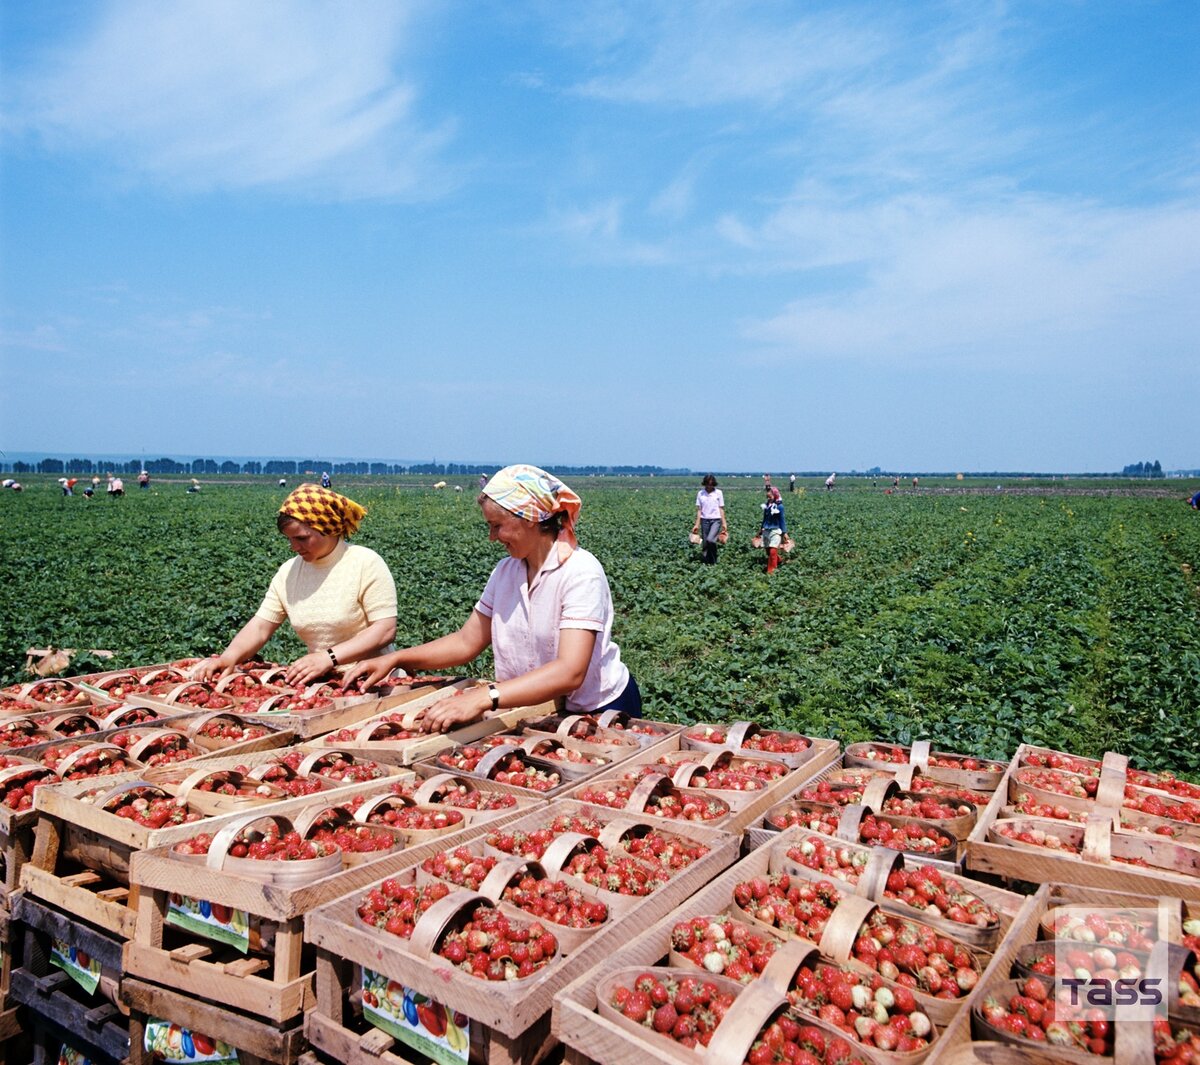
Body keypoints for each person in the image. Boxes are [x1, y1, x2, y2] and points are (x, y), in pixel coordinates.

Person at [344, 464, 640, 731]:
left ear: (530, 518)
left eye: (497, 525)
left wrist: (485, 696)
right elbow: (466, 642)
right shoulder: (506, 571)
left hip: (598, 709)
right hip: (535, 704)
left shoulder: (580, 572)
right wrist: (397, 657)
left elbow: (570, 671)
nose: (492, 536)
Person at [194, 484, 398, 687]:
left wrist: (328, 658)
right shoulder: (288, 572)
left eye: (302, 538)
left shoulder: (365, 562)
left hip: (374, 680)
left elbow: (385, 630)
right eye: (290, 539)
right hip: (324, 681)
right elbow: (261, 626)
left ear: (328, 527)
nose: (294, 547)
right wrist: (229, 657)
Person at [692, 474, 727, 564]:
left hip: (716, 520)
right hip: (704, 520)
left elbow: (721, 508)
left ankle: (713, 558)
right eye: (707, 484)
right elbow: (699, 510)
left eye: (711, 484)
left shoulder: (718, 493)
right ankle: (706, 561)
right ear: (705, 484)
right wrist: (697, 524)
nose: (709, 486)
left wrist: (724, 523)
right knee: (705, 543)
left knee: (710, 540)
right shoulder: (701, 493)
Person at [759, 486, 788, 575]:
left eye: (770, 497)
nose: (769, 499)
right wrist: (761, 529)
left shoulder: (780, 507)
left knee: (772, 551)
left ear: (775, 495)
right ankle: (778, 560)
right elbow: (764, 518)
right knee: (768, 551)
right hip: (766, 530)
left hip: (776, 530)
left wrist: (784, 532)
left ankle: (771, 571)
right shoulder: (767, 506)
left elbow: (782, 520)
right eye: (767, 497)